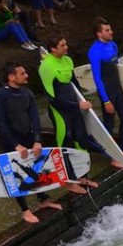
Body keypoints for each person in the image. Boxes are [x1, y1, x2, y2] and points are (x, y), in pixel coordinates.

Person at [0, 63, 67, 223]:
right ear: (11, 77)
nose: (27, 75)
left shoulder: (27, 93)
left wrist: (37, 140)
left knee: (37, 168)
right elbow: (1, 123)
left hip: (29, 137)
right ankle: (25, 210)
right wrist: (16, 145)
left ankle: (43, 199)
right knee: (17, 174)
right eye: (22, 73)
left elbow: (34, 118)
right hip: (11, 141)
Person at [38, 36, 101, 189]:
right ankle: (69, 181)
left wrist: (82, 102)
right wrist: (78, 106)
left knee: (81, 140)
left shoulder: (68, 60)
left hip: (75, 108)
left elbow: (75, 85)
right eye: (62, 45)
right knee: (65, 143)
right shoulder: (46, 67)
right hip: (60, 112)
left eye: (66, 43)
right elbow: (53, 99)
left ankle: (83, 178)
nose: (66, 47)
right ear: (53, 48)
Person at [88, 17, 123, 167]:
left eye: (110, 29)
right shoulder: (94, 52)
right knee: (109, 125)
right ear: (99, 34)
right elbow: (97, 78)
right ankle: (113, 157)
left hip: (118, 88)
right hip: (107, 91)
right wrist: (105, 101)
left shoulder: (113, 45)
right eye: (107, 30)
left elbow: (117, 69)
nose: (111, 32)